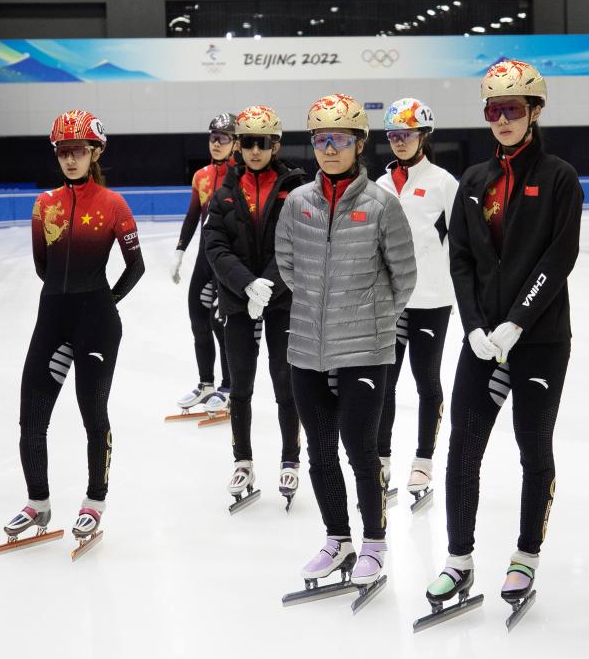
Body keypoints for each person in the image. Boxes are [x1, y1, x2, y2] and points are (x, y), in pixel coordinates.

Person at [423, 60, 582, 621]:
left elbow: (559, 256)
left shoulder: (560, 177)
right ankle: (458, 559)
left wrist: (519, 320)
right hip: (483, 343)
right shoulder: (473, 180)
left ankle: (525, 555)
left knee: (532, 447)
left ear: (535, 111)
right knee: (463, 448)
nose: (503, 119)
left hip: (539, 341)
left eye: (513, 109)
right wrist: (473, 325)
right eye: (494, 110)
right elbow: (461, 259)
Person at [275, 94, 415, 598]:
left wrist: (367, 319)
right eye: (320, 139)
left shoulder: (381, 204)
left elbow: (404, 277)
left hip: (365, 348)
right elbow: (287, 265)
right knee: (319, 451)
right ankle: (338, 539)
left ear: (359, 143)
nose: (329, 148)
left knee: (360, 447)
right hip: (307, 346)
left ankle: (374, 541)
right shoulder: (297, 203)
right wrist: (321, 309)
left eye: (339, 138)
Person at [1, 109, 144, 547]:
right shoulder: (44, 204)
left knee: (92, 415)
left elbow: (135, 267)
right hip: (52, 318)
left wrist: (104, 302)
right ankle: (38, 502)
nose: (70, 159)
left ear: (95, 152)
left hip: (96, 323)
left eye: (78, 150)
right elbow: (42, 266)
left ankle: (94, 502)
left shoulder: (113, 204)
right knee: (30, 418)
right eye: (63, 151)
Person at [203, 105, 307, 512]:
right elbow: (215, 246)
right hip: (237, 300)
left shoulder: (294, 188)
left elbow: (298, 242)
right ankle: (242, 461)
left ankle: (290, 459)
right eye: (248, 142)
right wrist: (246, 284)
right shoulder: (224, 192)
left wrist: (270, 285)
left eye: (263, 143)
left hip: (283, 302)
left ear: (276, 145)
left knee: (285, 384)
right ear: (239, 146)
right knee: (241, 386)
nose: (255, 150)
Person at [374, 98, 458, 505]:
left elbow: (464, 242)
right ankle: (382, 456)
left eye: (406, 134)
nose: (400, 141)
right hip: (390, 301)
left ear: (423, 135)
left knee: (426, 380)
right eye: (393, 135)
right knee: (385, 382)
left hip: (431, 299)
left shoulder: (443, 183)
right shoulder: (380, 185)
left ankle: (423, 458)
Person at [171, 113, 235, 417]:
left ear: (235, 143)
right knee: (198, 319)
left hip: (228, 260)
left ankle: (230, 386)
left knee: (221, 324)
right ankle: (206, 383)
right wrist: (179, 250)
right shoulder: (201, 176)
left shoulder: (241, 176)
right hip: (203, 258)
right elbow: (192, 215)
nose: (217, 143)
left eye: (223, 138)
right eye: (213, 138)